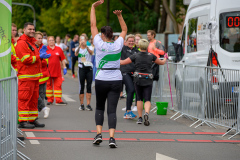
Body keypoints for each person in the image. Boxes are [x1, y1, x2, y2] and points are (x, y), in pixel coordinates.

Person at [91, 0, 127, 148]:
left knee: (100, 107)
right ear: (112, 35)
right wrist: (119, 16)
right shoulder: (118, 44)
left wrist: (93, 7)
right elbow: (124, 29)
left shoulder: (99, 44)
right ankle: (112, 138)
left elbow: (93, 25)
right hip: (116, 79)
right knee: (112, 110)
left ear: (102, 35)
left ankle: (99, 134)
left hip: (101, 78)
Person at [120, 39, 167, 126]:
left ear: (139, 46)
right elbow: (161, 62)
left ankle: (140, 117)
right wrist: (165, 58)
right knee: (147, 99)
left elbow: (123, 62)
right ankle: (147, 113)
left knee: (139, 99)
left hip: (138, 78)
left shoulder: (135, 55)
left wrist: (112, 60)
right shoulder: (151, 55)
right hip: (148, 78)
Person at [15, 22, 49, 128]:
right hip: (26, 76)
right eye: (30, 29)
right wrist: (40, 56)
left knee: (34, 99)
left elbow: (35, 58)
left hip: (34, 76)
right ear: (24, 30)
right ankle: (23, 121)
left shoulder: (32, 42)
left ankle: (32, 119)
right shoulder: (21, 43)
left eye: (33, 29)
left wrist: (41, 56)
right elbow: (26, 59)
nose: (32, 31)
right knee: (24, 98)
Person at [120, 34, 139, 119]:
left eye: (132, 41)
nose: (131, 42)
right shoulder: (123, 49)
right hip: (125, 72)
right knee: (131, 89)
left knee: (130, 91)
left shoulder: (136, 51)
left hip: (134, 73)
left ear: (134, 42)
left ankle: (128, 111)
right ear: (126, 42)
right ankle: (128, 111)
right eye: (129, 41)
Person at [46, 36, 68, 105]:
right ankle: (50, 100)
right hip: (48, 72)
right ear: (47, 41)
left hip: (57, 71)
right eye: (50, 40)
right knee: (49, 87)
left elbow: (62, 59)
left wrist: (64, 67)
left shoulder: (59, 49)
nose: (51, 41)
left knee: (58, 86)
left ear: (54, 41)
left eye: (52, 40)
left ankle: (58, 100)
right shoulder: (46, 49)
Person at [75, 36, 94, 111]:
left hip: (89, 68)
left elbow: (91, 53)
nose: (82, 41)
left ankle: (88, 104)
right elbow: (76, 54)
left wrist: (86, 46)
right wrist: (80, 46)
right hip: (81, 68)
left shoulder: (90, 47)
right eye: (81, 40)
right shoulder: (78, 48)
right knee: (81, 86)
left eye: (83, 40)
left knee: (89, 86)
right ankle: (81, 104)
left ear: (86, 41)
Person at [35, 31, 51, 118]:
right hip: (36, 75)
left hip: (44, 75)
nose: (40, 40)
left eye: (41, 38)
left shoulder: (43, 48)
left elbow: (46, 62)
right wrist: (40, 58)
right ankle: (44, 108)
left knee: (41, 94)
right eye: (39, 38)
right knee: (36, 95)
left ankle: (38, 111)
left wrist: (43, 58)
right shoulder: (34, 47)